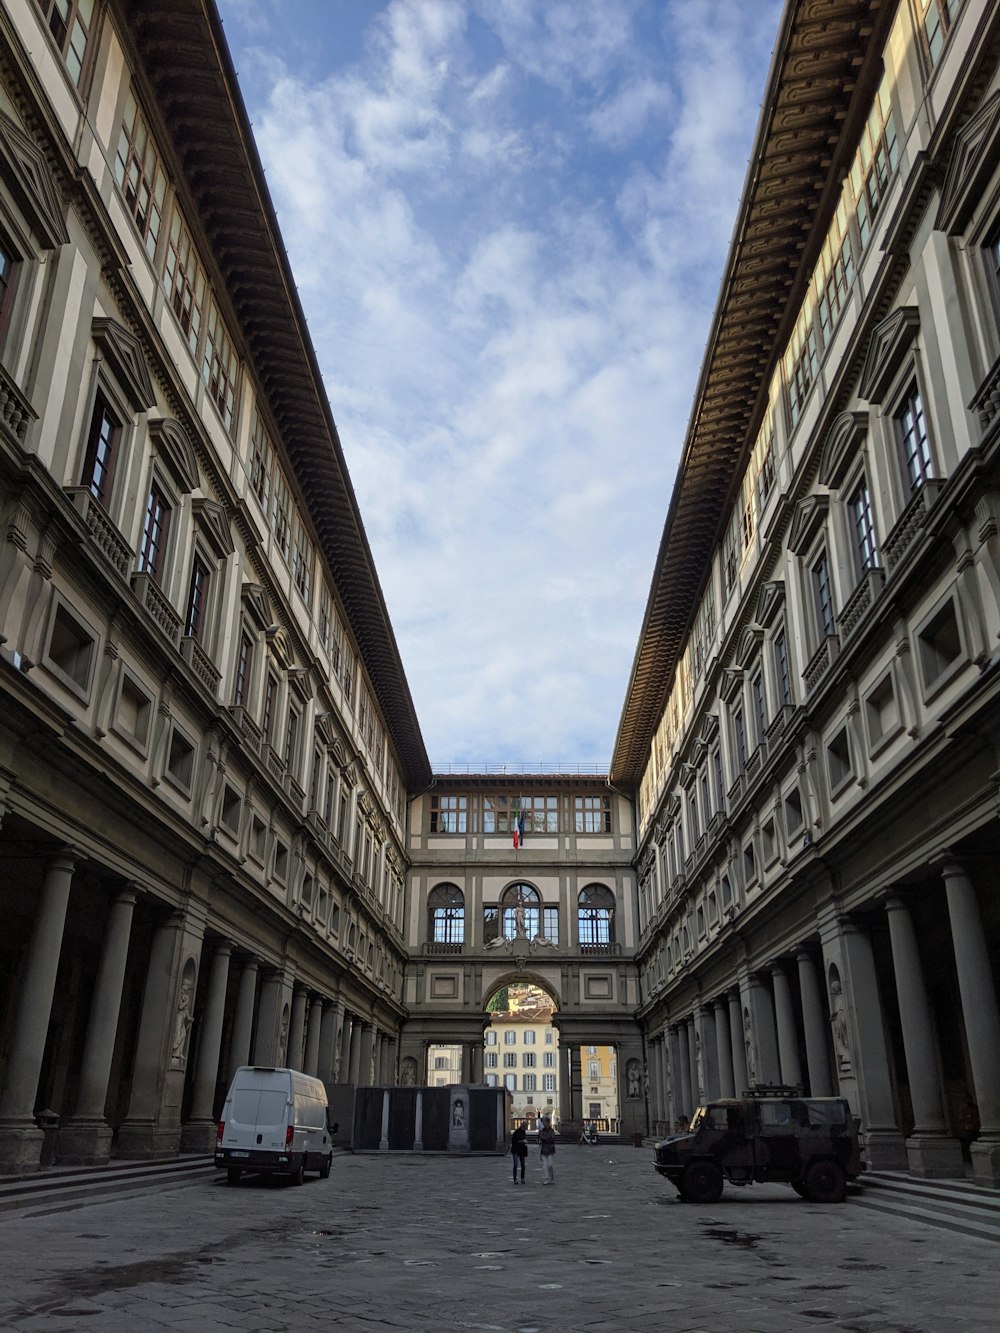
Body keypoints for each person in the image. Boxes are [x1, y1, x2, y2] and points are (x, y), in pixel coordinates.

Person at [538, 1116, 556, 1185]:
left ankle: (551, 1176)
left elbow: (552, 1138)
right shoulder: (542, 1130)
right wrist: (547, 1138)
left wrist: (545, 1138)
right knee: (544, 1165)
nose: (543, 1124)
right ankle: (546, 1178)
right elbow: (541, 1137)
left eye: (544, 1122)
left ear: (548, 1122)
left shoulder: (551, 1130)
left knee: (550, 1165)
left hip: (550, 1149)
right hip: (543, 1149)